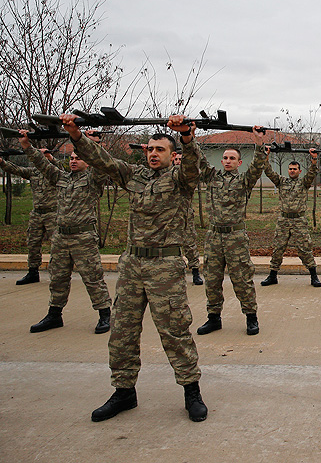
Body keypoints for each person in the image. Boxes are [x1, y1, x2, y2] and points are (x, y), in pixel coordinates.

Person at [60, 113, 208, 423]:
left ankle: (191, 391)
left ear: (172, 155)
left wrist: (187, 137)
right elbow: (102, 160)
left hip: (164, 266)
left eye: (160, 150)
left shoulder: (181, 179)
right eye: (150, 149)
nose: (153, 154)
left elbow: (194, 166)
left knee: (175, 331)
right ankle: (124, 391)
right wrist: (76, 135)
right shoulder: (134, 176)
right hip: (132, 265)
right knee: (122, 332)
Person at [17, 132, 113, 334]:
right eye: (71, 158)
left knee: (92, 277)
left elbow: (103, 161)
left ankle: (105, 314)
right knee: (58, 277)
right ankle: (54, 314)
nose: (74, 161)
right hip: (61, 237)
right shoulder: (60, 178)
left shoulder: (94, 178)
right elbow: (42, 165)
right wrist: (27, 146)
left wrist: (92, 143)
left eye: (78, 158)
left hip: (83, 237)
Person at [195, 135, 267, 336]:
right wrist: (189, 138)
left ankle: (251, 317)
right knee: (212, 279)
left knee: (242, 279)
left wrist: (260, 144)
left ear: (239, 163)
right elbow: (198, 158)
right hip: (214, 237)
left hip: (235, 238)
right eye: (225, 158)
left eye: (232, 158)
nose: (227, 161)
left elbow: (257, 167)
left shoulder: (244, 181)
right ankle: (213, 318)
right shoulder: (212, 177)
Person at [260, 149, 321, 287]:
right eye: (290, 169)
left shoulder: (304, 183)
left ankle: (314, 276)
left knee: (305, 248)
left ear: (299, 171)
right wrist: (266, 157)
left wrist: (314, 160)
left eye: (295, 169)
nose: (292, 171)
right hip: (283, 221)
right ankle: (272, 276)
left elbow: (312, 173)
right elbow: (269, 172)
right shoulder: (281, 181)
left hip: (299, 221)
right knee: (278, 248)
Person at [0, 149, 58, 284]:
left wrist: (51, 158)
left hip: (53, 213)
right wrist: (2, 162)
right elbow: (16, 169)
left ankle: (58, 274)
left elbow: (65, 170)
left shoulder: (55, 172)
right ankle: (33, 272)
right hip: (37, 213)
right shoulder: (33, 172)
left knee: (57, 245)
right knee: (32, 243)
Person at [172, 153, 203, 285]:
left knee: (190, 244)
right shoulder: (167, 174)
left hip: (185, 215)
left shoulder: (187, 175)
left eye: (181, 159)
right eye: (176, 159)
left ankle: (195, 271)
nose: (178, 162)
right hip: (170, 216)